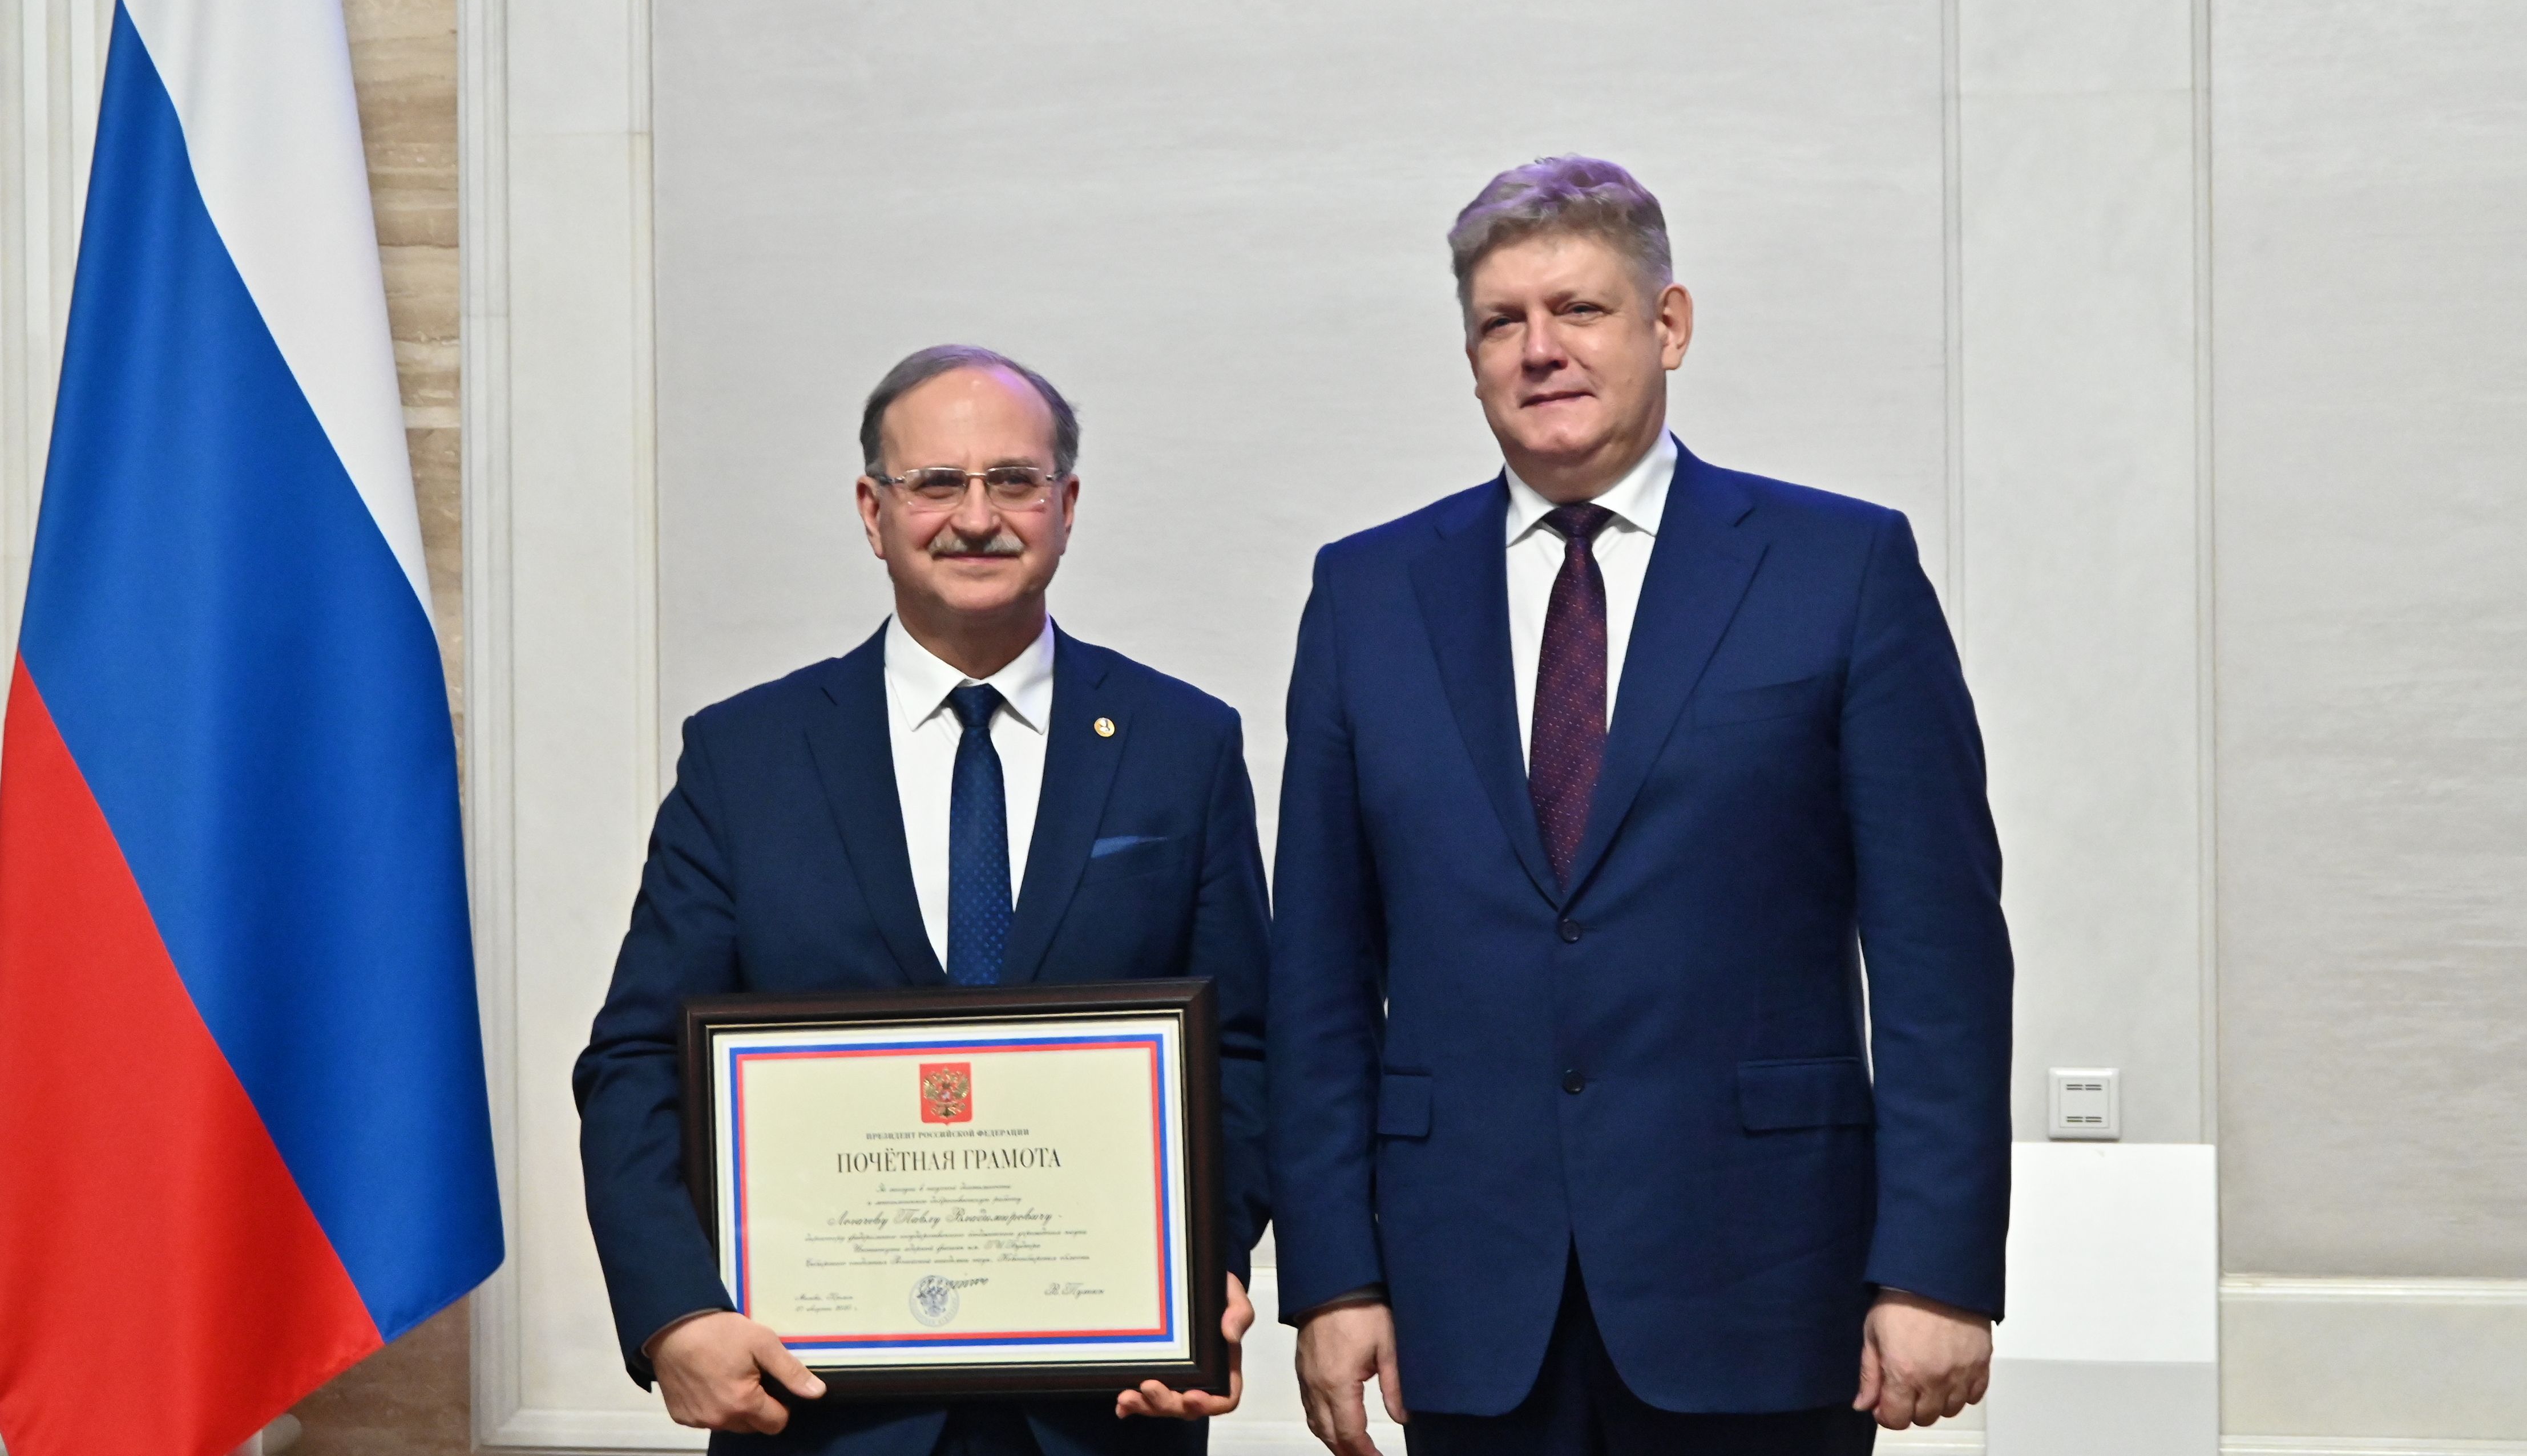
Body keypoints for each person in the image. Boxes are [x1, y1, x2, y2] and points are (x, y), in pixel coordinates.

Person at [1266, 158, 2012, 1455]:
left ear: (1669, 325)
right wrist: (1331, 1277)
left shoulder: (1839, 569)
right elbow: (1319, 975)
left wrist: (1936, 1268)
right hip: (1464, 1302)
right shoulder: (1366, 595)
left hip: (1764, 1285)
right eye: (1502, 322)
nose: (1540, 350)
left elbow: (1939, 953)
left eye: (1580, 310)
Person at [576, 345, 1270, 1456]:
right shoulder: (746, 758)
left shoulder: (1180, 744)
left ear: (1067, 506)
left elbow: (1245, 1050)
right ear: (874, 511)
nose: (977, 516)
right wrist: (675, 1313)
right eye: (937, 482)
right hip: (817, 1417)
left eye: (1016, 481)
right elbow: (635, 1061)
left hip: (1106, 1412)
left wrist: (1201, 1270)